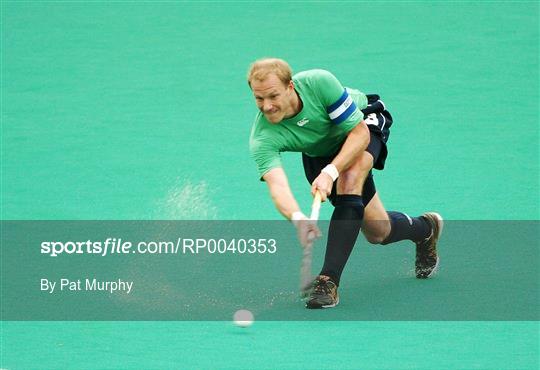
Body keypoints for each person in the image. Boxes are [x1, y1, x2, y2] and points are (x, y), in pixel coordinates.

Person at [247, 58, 443, 309]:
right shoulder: (262, 137)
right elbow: (278, 186)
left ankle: (328, 281)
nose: (267, 106)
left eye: (273, 96)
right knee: (377, 231)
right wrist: (297, 217)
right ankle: (425, 229)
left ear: (290, 87)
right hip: (321, 151)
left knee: (349, 178)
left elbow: (359, 134)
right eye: (259, 99)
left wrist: (330, 172)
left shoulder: (318, 83)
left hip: (360, 122)